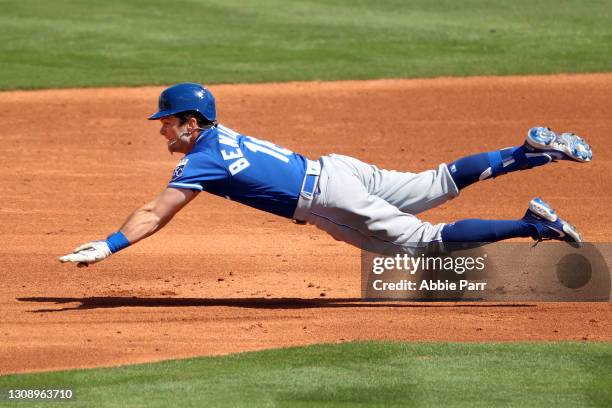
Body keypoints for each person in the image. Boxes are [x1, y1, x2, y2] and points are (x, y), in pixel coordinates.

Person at [59, 83, 593, 267]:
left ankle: (533, 224)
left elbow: (157, 211)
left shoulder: (202, 156)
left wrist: (108, 245)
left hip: (327, 198)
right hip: (336, 168)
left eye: (167, 122)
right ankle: (529, 152)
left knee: (423, 244)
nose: (161, 131)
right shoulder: (224, 137)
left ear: (190, 123)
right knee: (435, 182)